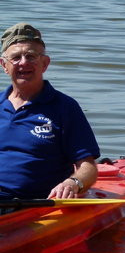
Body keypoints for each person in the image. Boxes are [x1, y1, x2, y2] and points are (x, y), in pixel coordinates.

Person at [0, 23, 100, 200]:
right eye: (15, 57)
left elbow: (88, 167)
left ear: (45, 63)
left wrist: (73, 183)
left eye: (31, 56)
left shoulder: (65, 107)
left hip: (36, 204)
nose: (23, 62)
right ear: (4, 65)